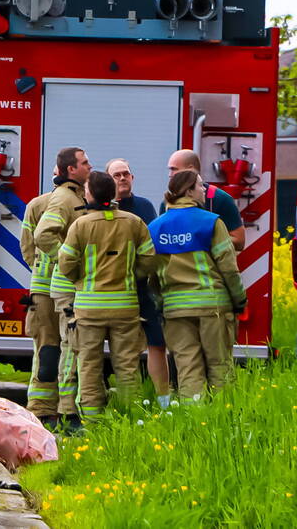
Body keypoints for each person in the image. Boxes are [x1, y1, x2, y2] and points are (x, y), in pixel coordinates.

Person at [58, 171, 156, 420]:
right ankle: (131, 420)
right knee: (127, 367)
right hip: (125, 307)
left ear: (90, 193)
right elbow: (149, 260)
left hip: (89, 309)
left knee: (89, 366)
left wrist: (81, 280)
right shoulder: (134, 223)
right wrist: (131, 277)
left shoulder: (81, 225)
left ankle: (92, 422)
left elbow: (66, 262)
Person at [149, 170, 246, 399]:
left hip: (176, 310)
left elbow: (152, 274)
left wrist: (162, 303)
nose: (204, 190)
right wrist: (239, 299)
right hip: (213, 306)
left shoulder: (155, 227)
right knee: (220, 366)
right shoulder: (211, 222)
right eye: (201, 186)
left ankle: (194, 422)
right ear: (189, 191)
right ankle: (223, 420)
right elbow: (229, 268)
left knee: (187, 368)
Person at [33, 146, 91, 433]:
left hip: (65, 285)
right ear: (71, 169)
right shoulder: (65, 199)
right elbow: (41, 235)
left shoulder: (75, 196)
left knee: (69, 345)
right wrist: (65, 260)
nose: (89, 166)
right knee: (67, 346)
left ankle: (57, 410)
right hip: (63, 286)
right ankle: (65, 412)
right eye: (84, 162)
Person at [105, 158, 170, 406]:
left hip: (143, 287)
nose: (122, 178)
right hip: (114, 291)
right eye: (116, 175)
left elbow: (151, 246)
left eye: (126, 174)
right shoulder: (102, 210)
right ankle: (127, 401)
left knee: (157, 341)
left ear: (132, 178)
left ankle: (162, 399)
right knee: (123, 349)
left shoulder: (144, 207)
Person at [19, 184, 60, 426]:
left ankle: (41, 409)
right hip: (68, 289)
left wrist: (40, 271)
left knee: (45, 348)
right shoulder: (78, 204)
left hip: (42, 289)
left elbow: (27, 248)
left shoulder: (36, 205)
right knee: (66, 351)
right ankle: (56, 407)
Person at [164, 150, 245, 251]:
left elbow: (239, 242)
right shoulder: (167, 203)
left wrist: (204, 238)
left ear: (191, 170)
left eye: (174, 169)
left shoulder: (220, 199)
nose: (170, 174)